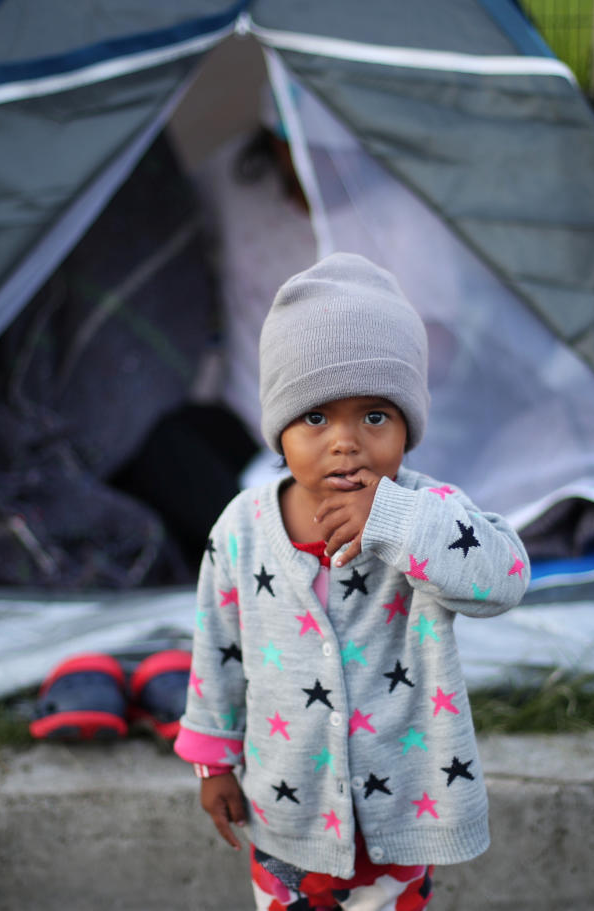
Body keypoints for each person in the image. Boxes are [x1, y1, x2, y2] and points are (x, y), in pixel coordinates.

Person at [174, 252, 531, 909]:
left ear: (407, 428)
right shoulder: (241, 528)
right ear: (278, 429)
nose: (345, 441)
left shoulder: (428, 513)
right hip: (287, 813)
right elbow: (216, 651)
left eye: (374, 416)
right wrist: (213, 762)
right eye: (315, 416)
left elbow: (504, 577)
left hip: (401, 821)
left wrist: (394, 520)